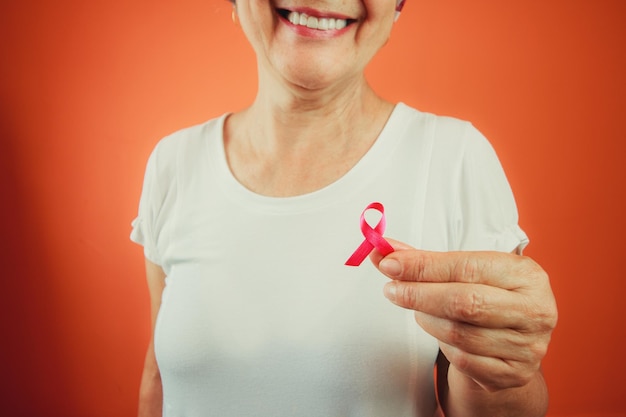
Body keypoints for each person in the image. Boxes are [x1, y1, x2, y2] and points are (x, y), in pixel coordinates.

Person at [130, 1, 557, 416]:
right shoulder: (173, 164)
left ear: (399, 5)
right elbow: (158, 376)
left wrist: (506, 378)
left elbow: (491, 401)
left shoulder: (455, 159)